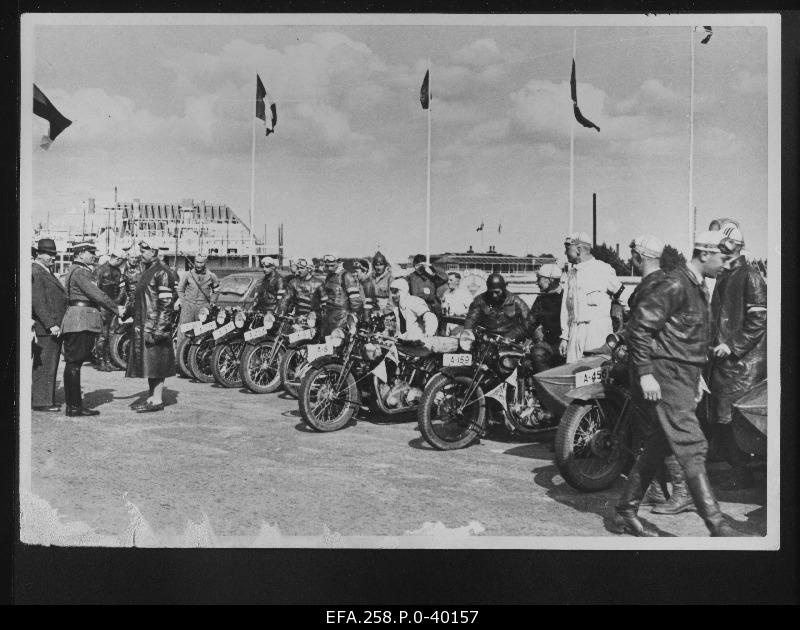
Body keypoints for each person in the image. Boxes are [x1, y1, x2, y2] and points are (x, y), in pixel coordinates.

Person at [613, 231, 749, 537]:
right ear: (704, 255)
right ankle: (718, 526)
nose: (727, 265)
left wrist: (697, 375)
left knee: (659, 443)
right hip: (666, 374)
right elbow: (639, 330)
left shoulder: (696, 287)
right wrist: (646, 373)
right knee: (693, 446)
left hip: (684, 376)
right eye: (723, 258)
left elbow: (687, 338)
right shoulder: (674, 283)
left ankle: (625, 511)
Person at [623, 235, 695, 515]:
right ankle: (653, 490)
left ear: (638, 257)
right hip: (646, 365)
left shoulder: (656, 286)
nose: (631, 260)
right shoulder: (658, 284)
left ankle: (682, 492)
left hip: (654, 368)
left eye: (632, 255)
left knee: (661, 428)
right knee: (645, 428)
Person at [708, 223, 767, 490]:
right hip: (725, 363)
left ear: (734, 248)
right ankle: (736, 468)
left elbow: (758, 321)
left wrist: (732, 347)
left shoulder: (750, 276)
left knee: (734, 422)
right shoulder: (724, 276)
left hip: (742, 366)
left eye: (722, 247)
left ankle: (742, 473)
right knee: (721, 419)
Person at [60, 241, 125, 417]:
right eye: (90, 252)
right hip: (82, 318)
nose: (93, 255)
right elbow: (97, 294)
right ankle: (74, 407)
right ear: (80, 254)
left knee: (74, 363)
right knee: (75, 363)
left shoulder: (75, 269)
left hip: (77, 317)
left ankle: (74, 405)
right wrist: (116, 308)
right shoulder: (81, 272)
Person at [125, 240, 177, 413]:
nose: (141, 253)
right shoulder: (148, 271)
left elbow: (166, 303)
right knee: (150, 365)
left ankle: (157, 400)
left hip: (153, 326)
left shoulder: (162, 272)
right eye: (141, 250)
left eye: (144, 251)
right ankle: (152, 396)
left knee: (157, 364)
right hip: (144, 325)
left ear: (154, 252)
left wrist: (160, 329)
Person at [559, 232, 623, 363]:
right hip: (575, 333)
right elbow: (566, 309)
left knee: (596, 371)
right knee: (572, 373)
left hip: (597, 334)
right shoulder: (570, 274)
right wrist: (565, 337)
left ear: (578, 249)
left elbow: (623, 296)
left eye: (567, 249)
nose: (565, 253)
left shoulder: (603, 270)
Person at [31, 238, 68, 411]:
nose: (52, 258)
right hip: (46, 328)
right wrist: (50, 324)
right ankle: (41, 402)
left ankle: (46, 399)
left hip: (50, 327)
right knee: (45, 365)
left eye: (53, 254)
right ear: (39, 254)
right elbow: (38, 302)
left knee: (50, 363)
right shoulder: (37, 272)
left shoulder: (44, 270)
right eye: (49, 254)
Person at [464, 273, 530, 341]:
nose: (494, 295)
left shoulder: (516, 301)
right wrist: (467, 333)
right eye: (491, 292)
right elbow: (471, 319)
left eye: (497, 292)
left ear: (504, 288)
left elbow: (529, 321)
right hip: (486, 339)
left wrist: (515, 334)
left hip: (509, 340)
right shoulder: (480, 300)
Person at [526, 263, 565, 373]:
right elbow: (529, 324)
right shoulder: (540, 300)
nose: (537, 282)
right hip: (548, 344)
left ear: (550, 280)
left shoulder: (567, 297)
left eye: (539, 279)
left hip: (565, 344)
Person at [93, 250, 127, 371]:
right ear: (118, 259)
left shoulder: (117, 271)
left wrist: (116, 304)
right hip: (102, 307)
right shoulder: (100, 270)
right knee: (102, 335)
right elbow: (96, 291)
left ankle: (108, 360)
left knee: (111, 334)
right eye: (121, 261)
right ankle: (100, 361)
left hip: (113, 307)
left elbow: (121, 290)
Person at [175, 253, 219, 346]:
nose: (199, 265)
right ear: (194, 262)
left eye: (201, 263)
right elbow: (180, 289)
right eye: (197, 262)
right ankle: (180, 355)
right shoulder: (188, 274)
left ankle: (197, 356)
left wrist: (212, 303)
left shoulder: (211, 276)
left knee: (202, 332)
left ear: (205, 263)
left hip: (203, 307)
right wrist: (184, 302)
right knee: (184, 331)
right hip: (188, 307)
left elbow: (216, 291)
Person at [318, 253, 363, 336]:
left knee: (338, 342)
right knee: (325, 340)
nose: (329, 268)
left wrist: (353, 316)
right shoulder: (329, 276)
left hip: (342, 315)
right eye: (327, 266)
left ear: (338, 262)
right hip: (328, 314)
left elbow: (355, 299)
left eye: (332, 265)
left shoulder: (346, 275)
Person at [406, 253, 449, 318]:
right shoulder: (411, 277)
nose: (418, 268)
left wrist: (432, 267)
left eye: (421, 265)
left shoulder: (430, 276)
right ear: (414, 265)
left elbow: (445, 278)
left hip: (433, 310)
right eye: (417, 265)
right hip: (419, 310)